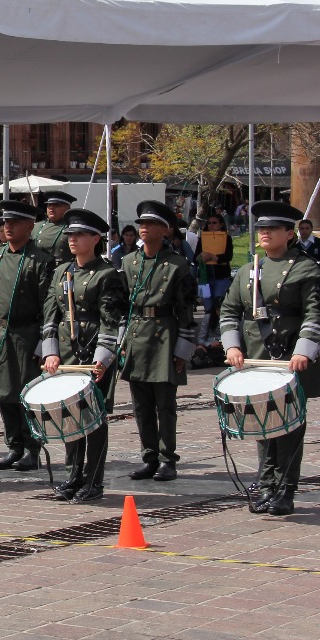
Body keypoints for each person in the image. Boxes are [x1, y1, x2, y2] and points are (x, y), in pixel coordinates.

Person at [220, 201, 320, 517]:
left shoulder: (306, 268)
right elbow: (229, 310)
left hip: (289, 359)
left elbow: (316, 313)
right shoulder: (247, 271)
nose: (264, 233)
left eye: (272, 228)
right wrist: (232, 347)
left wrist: (303, 350)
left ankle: (285, 490)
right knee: (262, 425)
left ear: (289, 233)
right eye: (261, 228)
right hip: (256, 358)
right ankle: (266, 485)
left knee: (289, 428)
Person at [40, 209, 129, 502]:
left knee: (94, 418)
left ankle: (93, 481)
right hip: (66, 353)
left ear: (95, 239)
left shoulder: (107, 274)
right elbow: (50, 315)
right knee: (70, 416)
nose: (72, 240)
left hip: (93, 353)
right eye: (70, 235)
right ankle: (73, 475)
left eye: (79, 235)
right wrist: (51, 352)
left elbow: (111, 320)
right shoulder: (61, 272)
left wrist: (102, 358)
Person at [121, 200, 199, 483]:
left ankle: (168, 459)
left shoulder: (178, 265)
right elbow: (122, 306)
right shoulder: (128, 262)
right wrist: (122, 342)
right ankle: (149, 457)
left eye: (151, 224)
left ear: (165, 230)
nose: (144, 228)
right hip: (137, 333)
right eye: (142, 223)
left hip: (165, 334)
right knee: (140, 404)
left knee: (165, 404)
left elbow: (187, 310)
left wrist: (183, 350)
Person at [0, 201, 54, 472]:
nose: (8, 227)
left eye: (15, 222)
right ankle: (14, 446)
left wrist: (44, 344)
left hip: (26, 334)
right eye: (5, 222)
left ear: (30, 226)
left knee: (26, 394)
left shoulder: (41, 260)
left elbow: (48, 306)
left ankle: (32, 448)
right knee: (2, 392)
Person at [197, 212, 234, 343]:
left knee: (219, 306)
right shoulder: (202, 238)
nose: (211, 225)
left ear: (221, 224)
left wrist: (214, 257)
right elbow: (194, 258)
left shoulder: (227, 238)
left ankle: (219, 337)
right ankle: (202, 339)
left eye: (214, 223)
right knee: (207, 309)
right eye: (209, 223)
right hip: (203, 279)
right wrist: (201, 256)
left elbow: (228, 256)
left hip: (221, 278)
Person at [33, 191, 76, 263]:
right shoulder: (36, 227)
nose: (51, 207)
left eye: (57, 205)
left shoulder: (72, 228)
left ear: (67, 208)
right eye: (49, 205)